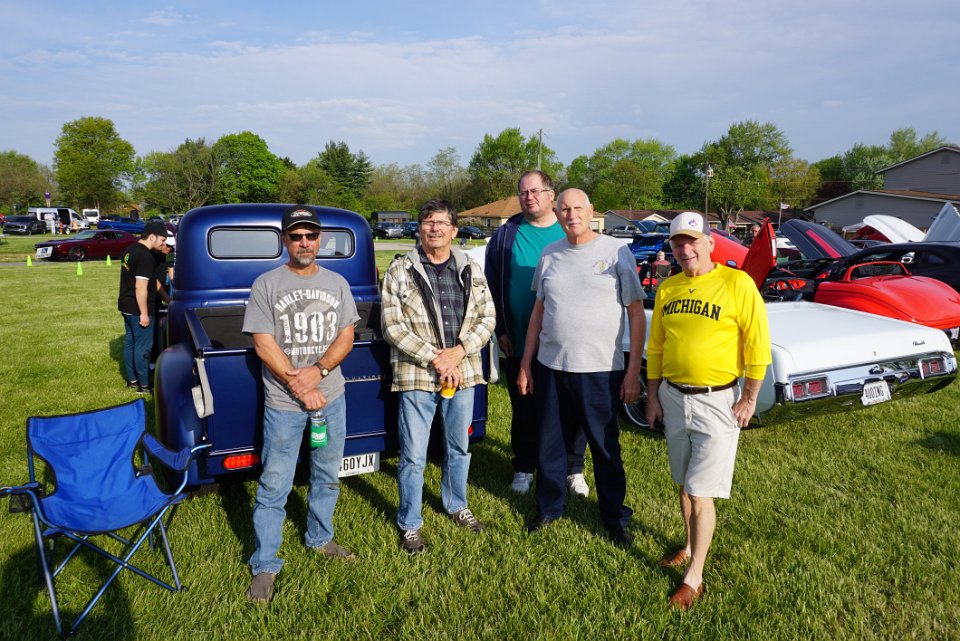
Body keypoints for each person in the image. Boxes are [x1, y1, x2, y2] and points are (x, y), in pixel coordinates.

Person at [645, 211, 771, 611]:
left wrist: (749, 397)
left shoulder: (737, 283)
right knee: (684, 484)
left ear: (710, 243)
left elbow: (757, 343)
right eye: (678, 243)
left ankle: (694, 577)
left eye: (692, 241)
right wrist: (653, 396)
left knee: (700, 491)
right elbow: (656, 347)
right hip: (673, 396)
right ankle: (688, 545)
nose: (685, 249)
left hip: (718, 401)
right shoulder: (668, 288)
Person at [242, 205, 360, 604]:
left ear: (320, 239)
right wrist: (299, 384)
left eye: (310, 235)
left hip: (331, 398)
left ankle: (320, 537)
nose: (304, 242)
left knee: (326, 474)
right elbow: (263, 344)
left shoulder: (337, 283)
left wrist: (319, 371)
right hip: (285, 404)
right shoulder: (266, 284)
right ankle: (265, 563)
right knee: (275, 483)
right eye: (296, 236)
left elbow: (346, 336)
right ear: (285, 241)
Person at [517, 188, 646, 546]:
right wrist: (526, 363)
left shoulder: (616, 252)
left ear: (591, 211)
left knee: (605, 447)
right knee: (550, 444)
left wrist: (632, 372)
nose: (571, 215)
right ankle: (548, 508)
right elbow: (539, 312)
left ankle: (614, 517)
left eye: (578, 208)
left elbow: (636, 315)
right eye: (564, 209)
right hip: (552, 366)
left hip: (600, 369)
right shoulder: (549, 254)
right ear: (556, 213)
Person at [381, 198, 496, 554]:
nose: (435, 228)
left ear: (454, 230)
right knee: (413, 454)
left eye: (442, 222)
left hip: (462, 373)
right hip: (417, 375)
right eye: (428, 222)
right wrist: (438, 359)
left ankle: (457, 504)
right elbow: (392, 327)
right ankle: (410, 523)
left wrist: (458, 353)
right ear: (419, 228)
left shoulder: (471, 269)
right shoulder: (400, 270)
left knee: (458, 447)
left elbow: (487, 318)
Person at [485, 170, 589, 497]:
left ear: (550, 195)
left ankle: (573, 468)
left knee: (571, 408)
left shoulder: (569, 229)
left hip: (564, 343)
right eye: (523, 192)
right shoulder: (506, 235)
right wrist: (501, 328)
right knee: (524, 408)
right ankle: (524, 465)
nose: (528, 197)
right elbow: (492, 285)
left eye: (535, 191)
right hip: (518, 339)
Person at [117, 221, 168, 393]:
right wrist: (144, 313)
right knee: (143, 348)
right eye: (162, 239)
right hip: (138, 308)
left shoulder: (130, 250)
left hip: (126, 305)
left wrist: (168, 300)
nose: (163, 244)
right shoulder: (145, 256)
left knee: (130, 343)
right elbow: (140, 287)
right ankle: (144, 385)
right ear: (152, 237)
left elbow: (153, 281)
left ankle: (132, 380)